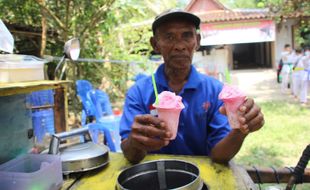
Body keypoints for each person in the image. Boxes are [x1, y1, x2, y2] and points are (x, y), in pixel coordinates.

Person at [119, 9, 264, 164]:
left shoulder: (216, 91)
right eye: (169, 37)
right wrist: (135, 143)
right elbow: (131, 156)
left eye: (187, 36)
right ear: (155, 44)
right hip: (155, 174)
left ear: (198, 41)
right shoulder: (139, 92)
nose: (179, 46)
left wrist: (240, 130)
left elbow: (219, 156)